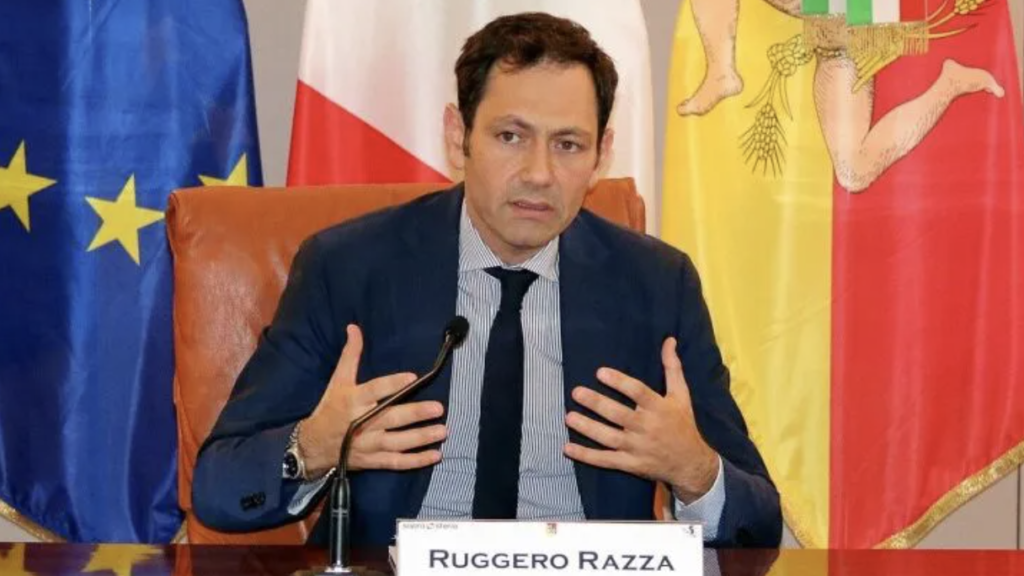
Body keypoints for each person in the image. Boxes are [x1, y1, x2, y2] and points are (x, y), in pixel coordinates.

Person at [192, 12, 782, 548]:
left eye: (568, 144)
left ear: (601, 155)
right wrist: (313, 447)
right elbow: (219, 488)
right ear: (458, 137)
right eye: (510, 137)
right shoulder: (348, 267)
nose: (539, 173)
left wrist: (694, 470)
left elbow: (758, 522)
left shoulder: (657, 284)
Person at [677, 0, 1004, 191]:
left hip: (864, 13)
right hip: (840, 36)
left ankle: (721, 71)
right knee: (854, 171)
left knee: (854, 172)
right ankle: (949, 85)